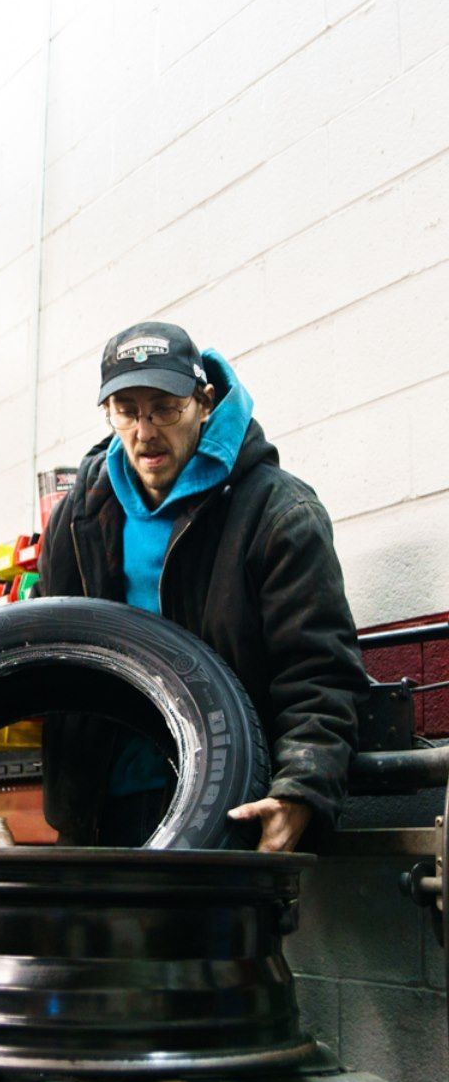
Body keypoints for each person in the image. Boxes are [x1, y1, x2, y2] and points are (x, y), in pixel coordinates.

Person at [36, 320, 367, 852]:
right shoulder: (80, 515)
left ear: (204, 401)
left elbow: (319, 670)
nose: (145, 432)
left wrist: (301, 789)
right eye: (127, 410)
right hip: (102, 811)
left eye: (165, 407)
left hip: (228, 809)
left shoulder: (279, 514)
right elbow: (46, 648)